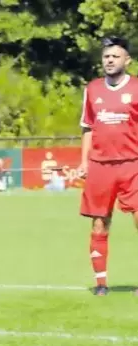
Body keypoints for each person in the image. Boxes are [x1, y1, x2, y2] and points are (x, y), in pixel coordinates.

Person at [78, 36, 138, 296]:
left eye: (115, 56)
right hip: (100, 166)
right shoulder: (92, 89)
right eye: (106, 57)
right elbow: (87, 128)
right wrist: (83, 162)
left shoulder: (136, 87)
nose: (110, 60)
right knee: (100, 224)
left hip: (133, 164)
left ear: (127, 60)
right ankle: (101, 284)